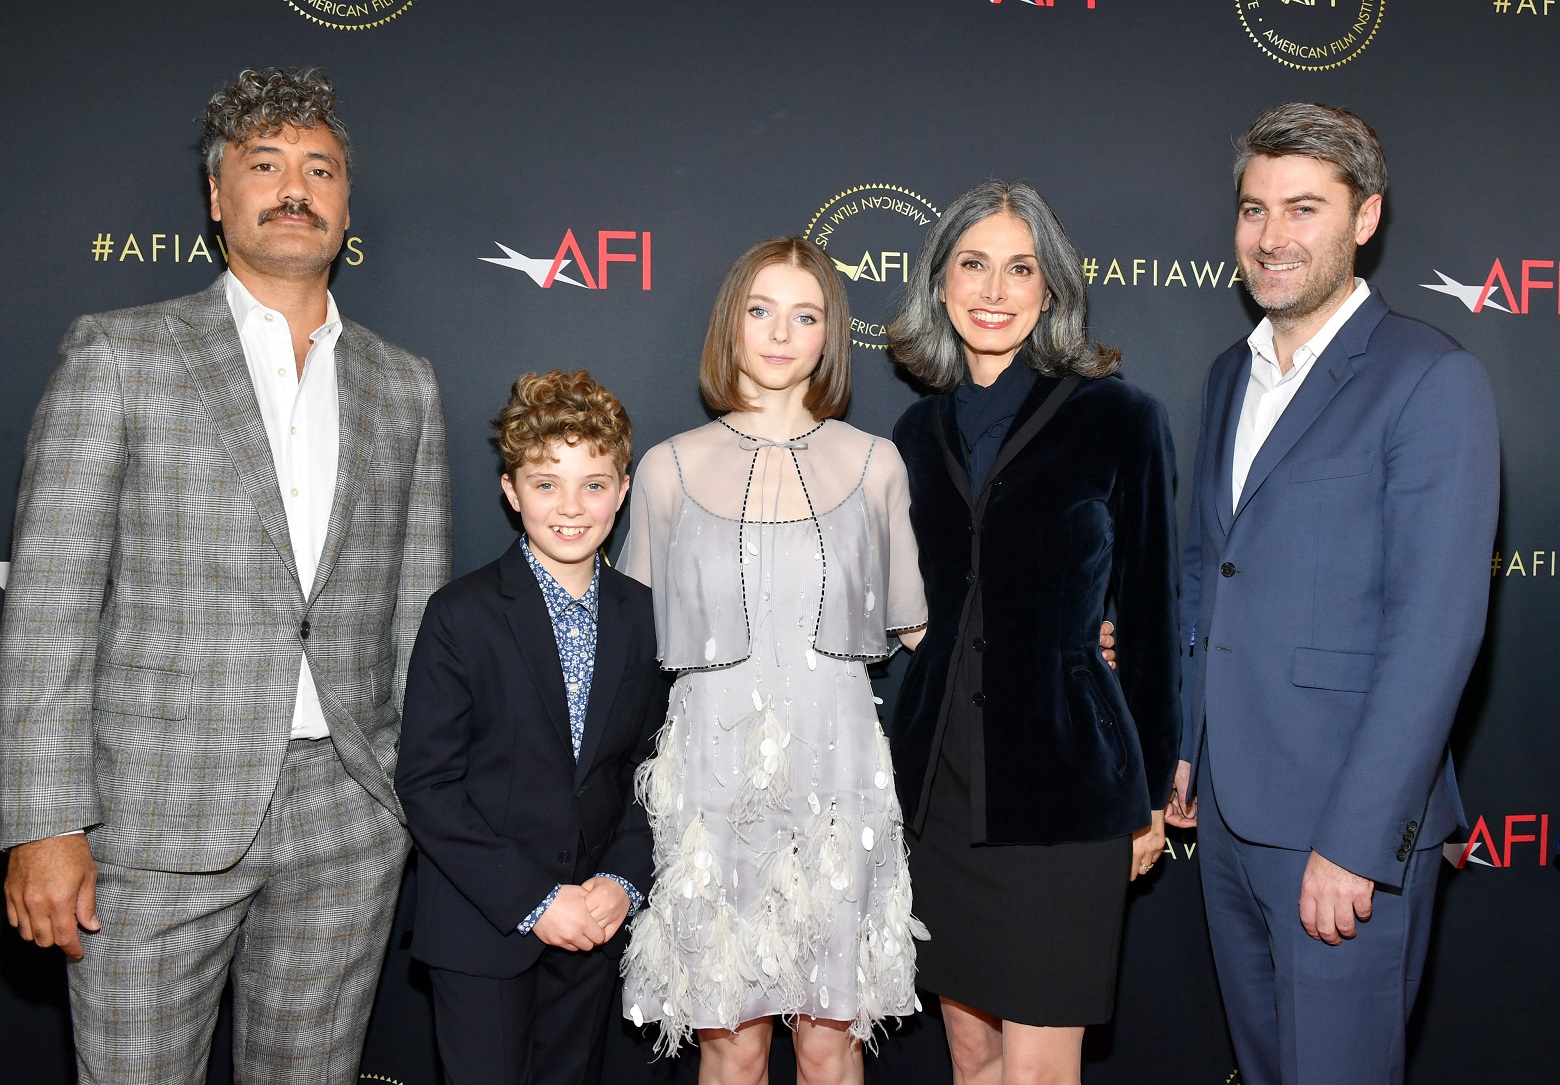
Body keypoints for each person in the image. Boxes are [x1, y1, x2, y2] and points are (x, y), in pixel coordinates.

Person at [0, 68, 451, 1083]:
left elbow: (418, 614)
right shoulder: (119, 354)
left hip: (347, 818)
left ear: (345, 204)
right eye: (265, 164)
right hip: (147, 822)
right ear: (217, 196)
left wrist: (404, 800)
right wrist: (43, 822)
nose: (295, 188)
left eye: (319, 169)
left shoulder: (404, 385)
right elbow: (49, 608)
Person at [1166, 103, 1499, 1085]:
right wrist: (1185, 742)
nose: (1272, 236)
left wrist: (1357, 842)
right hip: (1228, 813)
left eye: (1303, 208)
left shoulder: (1431, 378)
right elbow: (1206, 571)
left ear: (1366, 217)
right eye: (1254, 209)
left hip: (1339, 828)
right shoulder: (1229, 375)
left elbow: (1435, 632)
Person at [886, 180, 1180, 1085]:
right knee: (970, 1054)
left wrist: (1149, 794)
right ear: (939, 283)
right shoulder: (913, 431)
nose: (994, 290)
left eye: (1020, 269)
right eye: (973, 264)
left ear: (1050, 289)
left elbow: (1153, 616)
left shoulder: (1119, 417)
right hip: (939, 789)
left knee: (1040, 1069)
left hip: (1068, 788)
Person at [618, 237, 931, 1085]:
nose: (781, 333)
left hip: (839, 789)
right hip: (711, 793)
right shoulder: (667, 469)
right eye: (761, 310)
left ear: (831, 334)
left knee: (831, 1044)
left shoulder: (876, 464)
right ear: (732, 323)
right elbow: (626, 651)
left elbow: (924, 631)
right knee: (732, 1045)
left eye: (805, 314)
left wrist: (1066, 644)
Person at [396, 370, 668, 1085]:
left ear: (623, 489)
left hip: (595, 925)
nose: (571, 507)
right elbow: (427, 783)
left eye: (593, 484)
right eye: (547, 484)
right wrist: (537, 900)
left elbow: (654, 770)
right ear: (511, 491)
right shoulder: (461, 614)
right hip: (483, 926)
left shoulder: (644, 615)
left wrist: (622, 878)